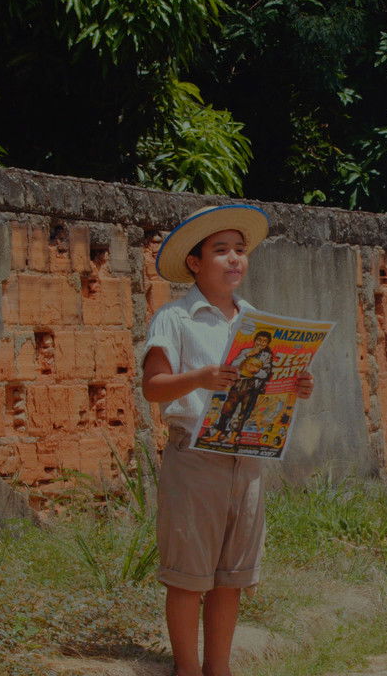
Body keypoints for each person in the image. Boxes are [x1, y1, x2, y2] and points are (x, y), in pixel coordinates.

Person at [141, 204, 316, 676]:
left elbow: (266, 385)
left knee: (230, 579)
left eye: (240, 250)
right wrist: (199, 377)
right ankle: (187, 670)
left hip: (248, 460)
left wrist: (295, 385)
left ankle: (220, 668)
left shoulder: (255, 320)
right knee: (187, 577)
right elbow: (153, 387)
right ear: (195, 263)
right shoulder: (175, 319)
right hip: (195, 459)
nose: (235, 259)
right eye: (221, 251)